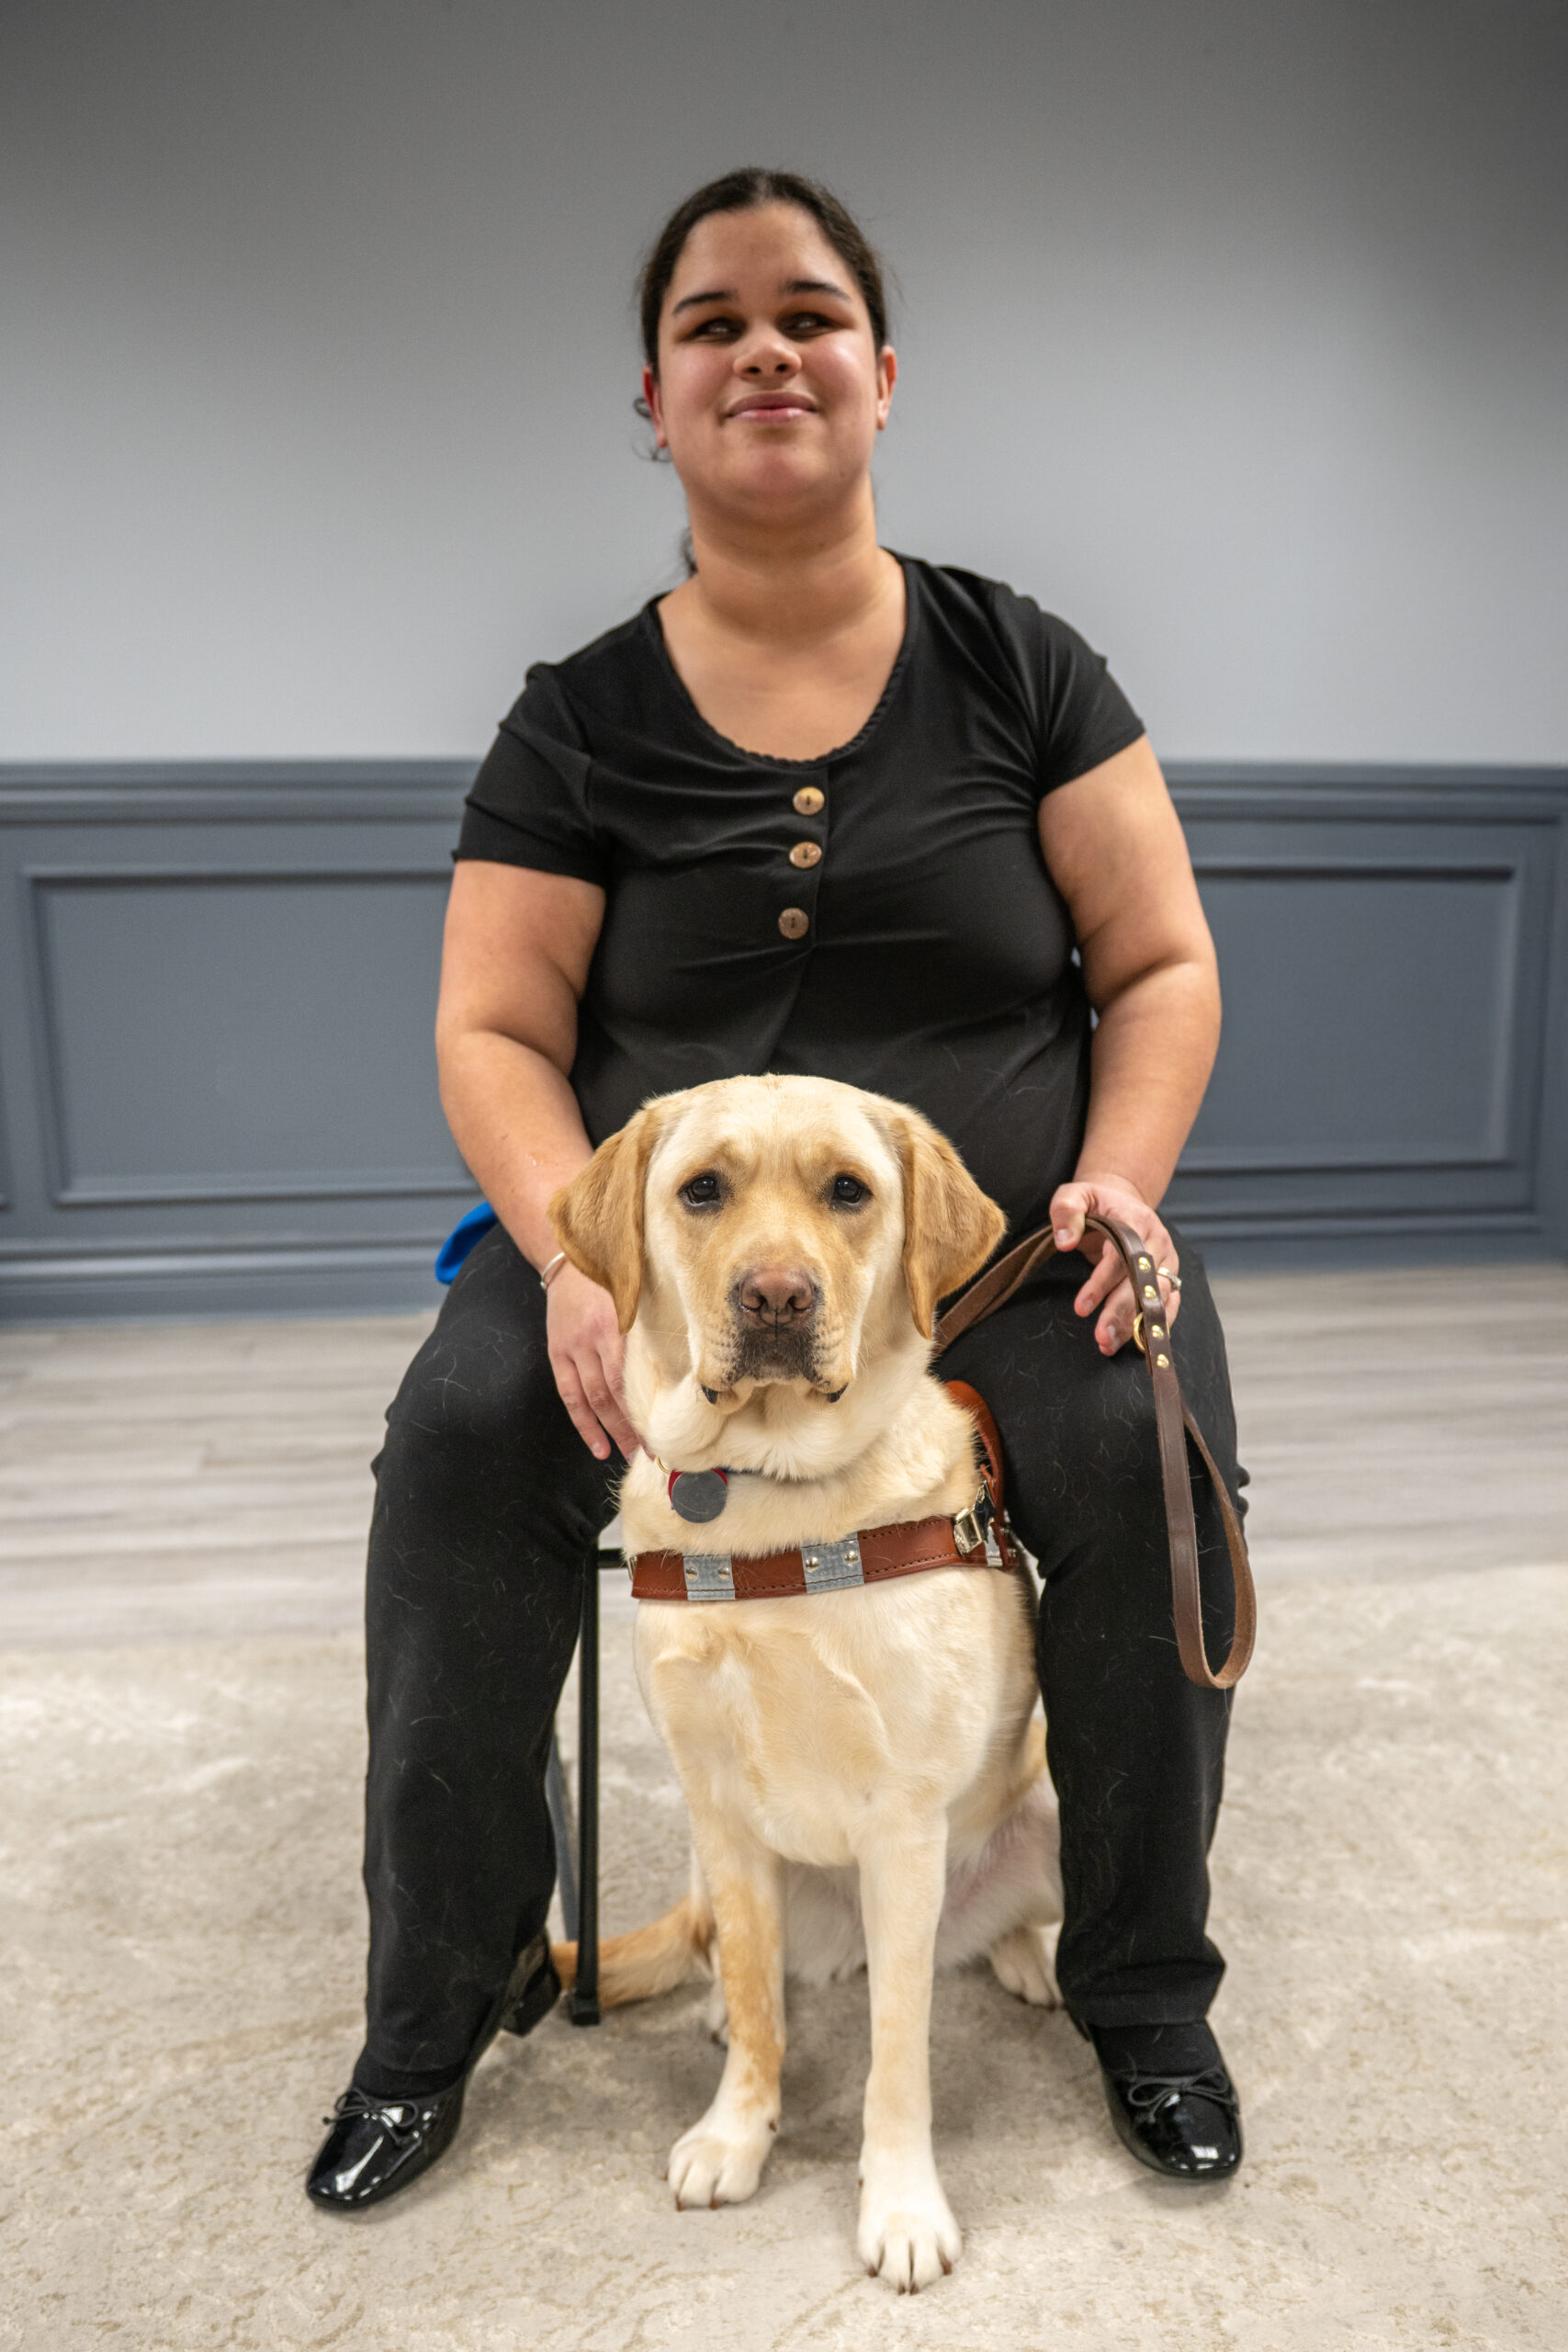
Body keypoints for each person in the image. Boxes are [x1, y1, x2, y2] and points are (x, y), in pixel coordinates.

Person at [307, 167, 1247, 2211]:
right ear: (650, 395)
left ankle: (1143, 1986)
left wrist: (1116, 1185)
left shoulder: (1023, 667)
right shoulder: (573, 722)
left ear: (881, 375)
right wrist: (580, 1260)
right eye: (713, 322)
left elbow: (1159, 961)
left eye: (807, 313)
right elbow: (493, 1026)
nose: (764, 350)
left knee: (1138, 1448)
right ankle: (431, 2008)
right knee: (461, 1436)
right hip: (657, 1248)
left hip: (988, 1252)